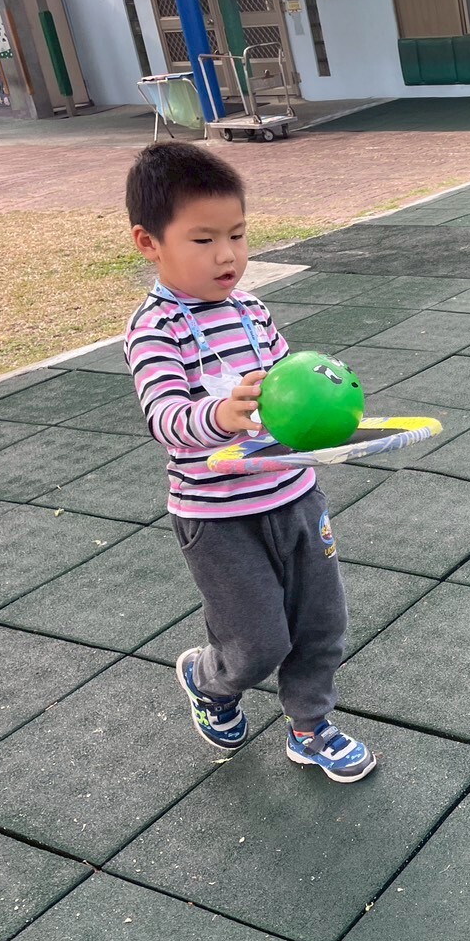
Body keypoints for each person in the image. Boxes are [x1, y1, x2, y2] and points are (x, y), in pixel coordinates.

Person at [123, 141, 375, 783]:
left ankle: (310, 727)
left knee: (322, 623)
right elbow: (165, 419)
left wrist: (325, 403)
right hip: (218, 518)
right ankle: (209, 680)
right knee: (257, 643)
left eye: (237, 235)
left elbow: (290, 388)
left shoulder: (253, 311)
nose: (228, 255)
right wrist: (222, 415)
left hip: (295, 496)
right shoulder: (155, 329)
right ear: (149, 243)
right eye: (203, 239)